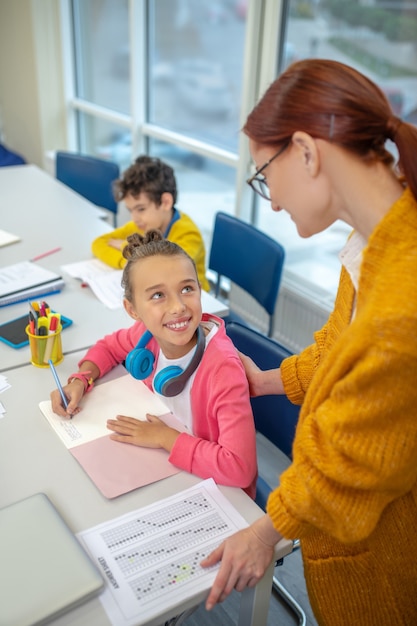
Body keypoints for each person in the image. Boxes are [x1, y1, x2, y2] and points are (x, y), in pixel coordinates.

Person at [202, 59, 417, 625]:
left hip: (388, 560)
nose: (270, 200)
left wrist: (265, 531)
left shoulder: (404, 297)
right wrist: (264, 381)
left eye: (263, 175)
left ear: (305, 150)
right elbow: (337, 348)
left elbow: (350, 461)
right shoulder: (371, 240)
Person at [51, 230, 257, 497]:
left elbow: (240, 469)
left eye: (187, 289)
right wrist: (82, 379)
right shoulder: (147, 336)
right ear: (132, 310)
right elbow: (109, 347)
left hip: (218, 490)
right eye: (158, 295)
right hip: (165, 469)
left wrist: (164, 438)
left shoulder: (222, 370)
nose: (178, 306)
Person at [91, 155, 210, 291]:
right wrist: (126, 262)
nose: (134, 218)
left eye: (141, 209)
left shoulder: (188, 234)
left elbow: (165, 270)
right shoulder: (142, 226)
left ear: (165, 202)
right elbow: (99, 243)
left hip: (198, 303)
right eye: (131, 210)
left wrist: (127, 247)